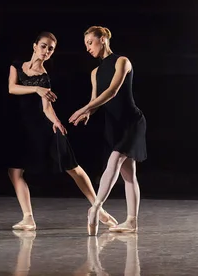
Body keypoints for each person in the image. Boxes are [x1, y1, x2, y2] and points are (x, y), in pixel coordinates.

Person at [7, 32, 117, 231]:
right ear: (34, 46)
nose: (46, 51)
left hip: (42, 126)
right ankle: (28, 217)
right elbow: (11, 88)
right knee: (15, 171)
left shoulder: (44, 78)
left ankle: (98, 208)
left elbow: (47, 108)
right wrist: (36, 90)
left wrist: (57, 121)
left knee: (72, 167)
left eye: (50, 49)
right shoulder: (17, 66)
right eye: (43, 46)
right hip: (22, 128)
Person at [69, 26, 147, 236]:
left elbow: (112, 91)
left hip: (131, 122)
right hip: (114, 125)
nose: (87, 48)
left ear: (102, 39)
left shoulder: (122, 61)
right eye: (85, 44)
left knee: (114, 161)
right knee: (129, 175)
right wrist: (88, 112)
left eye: (90, 43)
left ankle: (95, 208)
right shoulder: (95, 72)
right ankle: (131, 221)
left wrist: (84, 108)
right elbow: (96, 101)